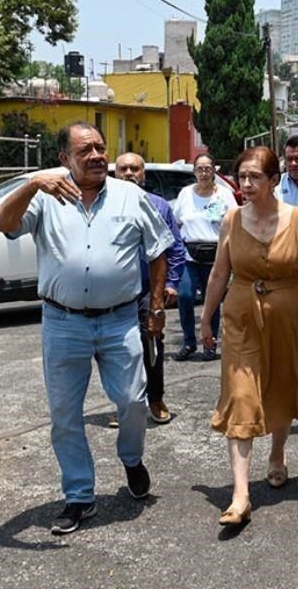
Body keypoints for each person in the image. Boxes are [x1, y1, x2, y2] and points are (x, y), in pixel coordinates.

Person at [0, 122, 173, 535]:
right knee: (64, 416)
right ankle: (79, 495)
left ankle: (131, 458)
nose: (96, 156)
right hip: (63, 322)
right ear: (64, 160)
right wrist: (33, 184)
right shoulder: (46, 198)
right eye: (84, 150)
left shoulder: (131, 196)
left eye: (99, 147)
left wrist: (157, 304)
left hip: (120, 320)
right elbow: (4, 224)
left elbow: (158, 249)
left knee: (131, 401)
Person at [202, 146, 298, 526]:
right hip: (241, 317)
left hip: (290, 317)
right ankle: (241, 494)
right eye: (242, 176)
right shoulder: (231, 220)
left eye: (255, 177)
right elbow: (218, 274)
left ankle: (277, 454)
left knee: (280, 386)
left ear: (274, 180)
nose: (245, 184)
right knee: (240, 394)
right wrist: (205, 319)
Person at [115, 152, 187, 424]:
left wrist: (171, 283)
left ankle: (155, 399)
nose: (130, 173)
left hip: (147, 289)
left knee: (151, 344)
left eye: (135, 168)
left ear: (143, 174)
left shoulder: (159, 206)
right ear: (116, 174)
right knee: (117, 350)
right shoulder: (105, 206)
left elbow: (176, 249)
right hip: (116, 291)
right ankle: (126, 406)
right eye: (124, 169)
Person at [170, 153, 236, 361]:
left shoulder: (224, 195)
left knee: (212, 300)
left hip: (215, 255)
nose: (204, 173)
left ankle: (210, 343)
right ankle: (189, 342)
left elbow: (235, 222)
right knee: (185, 296)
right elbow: (177, 222)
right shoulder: (185, 194)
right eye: (200, 169)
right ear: (194, 171)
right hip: (189, 254)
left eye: (208, 169)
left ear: (214, 170)